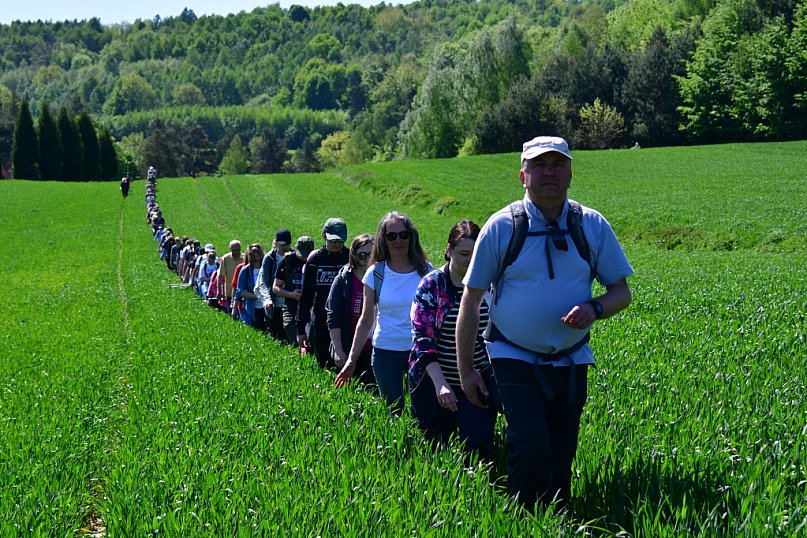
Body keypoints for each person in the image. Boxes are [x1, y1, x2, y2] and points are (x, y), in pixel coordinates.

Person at [456, 135, 633, 511]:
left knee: (562, 446)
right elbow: (471, 299)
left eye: (557, 164)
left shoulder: (591, 225)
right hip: (511, 354)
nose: (549, 172)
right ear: (523, 176)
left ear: (570, 173)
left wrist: (595, 308)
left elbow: (621, 291)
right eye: (539, 165)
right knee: (530, 441)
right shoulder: (503, 226)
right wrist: (466, 370)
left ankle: (558, 515)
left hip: (571, 357)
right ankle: (522, 516)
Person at [408, 220, 498, 461]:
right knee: (437, 448)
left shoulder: (490, 285)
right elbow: (422, 338)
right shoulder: (432, 285)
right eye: (463, 253)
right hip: (434, 379)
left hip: (477, 379)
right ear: (449, 250)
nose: (469, 260)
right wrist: (440, 383)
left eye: (475, 253)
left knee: (478, 449)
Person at [334, 212, 431, 414]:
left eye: (403, 235)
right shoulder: (376, 273)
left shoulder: (426, 271)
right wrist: (351, 360)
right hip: (386, 351)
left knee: (423, 412)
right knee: (394, 412)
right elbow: (366, 318)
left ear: (412, 237)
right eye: (391, 236)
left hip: (420, 352)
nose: (398, 240)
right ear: (383, 240)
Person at [297, 218, 350, 368]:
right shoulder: (315, 260)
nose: (337, 244)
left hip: (345, 319)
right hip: (321, 319)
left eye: (340, 240)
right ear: (323, 236)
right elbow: (305, 295)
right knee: (324, 363)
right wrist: (301, 328)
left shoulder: (351, 258)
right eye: (333, 240)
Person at [326, 234, 376, 389]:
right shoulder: (343, 280)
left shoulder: (381, 277)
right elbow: (333, 315)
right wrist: (339, 350)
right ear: (354, 255)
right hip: (348, 345)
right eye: (362, 255)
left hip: (375, 348)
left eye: (371, 254)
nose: (367, 259)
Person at [273, 236, 315, 345]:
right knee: (295, 340)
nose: (305, 258)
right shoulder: (287, 261)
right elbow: (276, 287)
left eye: (307, 255)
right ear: (296, 249)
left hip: (311, 308)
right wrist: (291, 294)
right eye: (302, 254)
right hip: (291, 307)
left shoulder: (316, 261)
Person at [257, 228, 293, 341]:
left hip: (289, 303)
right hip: (274, 304)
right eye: (283, 244)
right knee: (276, 335)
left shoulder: (293, 256)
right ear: (276, 243)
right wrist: (267, 299)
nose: (285, 247)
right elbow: (263, 281)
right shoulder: (269, 258)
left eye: (287, 244)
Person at [235, 243, 266, 329]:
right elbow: (239, 291)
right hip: (253, 307)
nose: (256, 258)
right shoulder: (245, 270)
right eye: (253, 255)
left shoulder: (267, 268)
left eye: (257, 255)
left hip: (267, 306)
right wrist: (256, 296)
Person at [217, 240, 243, 312]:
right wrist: (219, 291)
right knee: (231, 313)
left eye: (238, 250)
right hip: (229, 291)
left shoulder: (244, 258)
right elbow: (220, 276)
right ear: (230, 249)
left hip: (242, 291)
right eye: (234, 250)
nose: (236, 252)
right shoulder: (225, 259)